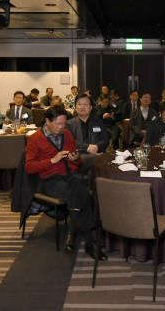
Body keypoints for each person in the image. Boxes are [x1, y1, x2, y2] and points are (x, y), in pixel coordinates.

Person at [25, 105, 106, 261]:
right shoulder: (35, 139)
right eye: (57, 124)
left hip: (70, 177)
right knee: (83, 193)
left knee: (77, 185)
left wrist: (76, 159)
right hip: (50, 181)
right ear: (47, 121)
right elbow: (29, 167)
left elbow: (77, 162)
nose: (61, 127)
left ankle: (72, 234)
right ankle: (90, 242)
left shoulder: (67, 135)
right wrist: (52, 160)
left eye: (63, 124)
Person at [67, 93, 108, 173]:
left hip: (97, 154)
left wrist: (97, 147)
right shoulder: (69, 124)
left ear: (90, 107)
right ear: (75, 107)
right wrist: (87, 147)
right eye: (79, 104)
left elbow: (105, 140)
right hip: (78, 157)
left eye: (85, 104)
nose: (82, 107)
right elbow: (70, 142)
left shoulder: (98, 122)